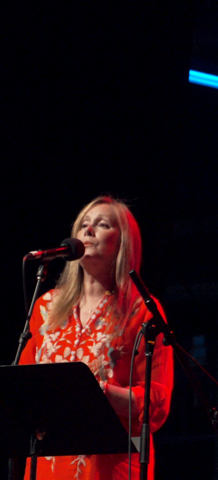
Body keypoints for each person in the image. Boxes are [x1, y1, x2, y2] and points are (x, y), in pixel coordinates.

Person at [19, 196, 174, 480]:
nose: (88, 231)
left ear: (122, 243)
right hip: (48, 466)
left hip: (110, 467)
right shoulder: (45, 307)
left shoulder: (141, 311)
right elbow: (25, 385)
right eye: (84, 225)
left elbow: (157, 403)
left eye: (102, 225)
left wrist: (101, 392)